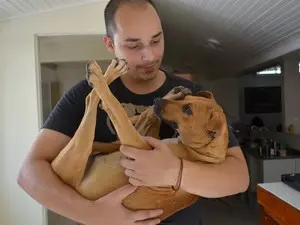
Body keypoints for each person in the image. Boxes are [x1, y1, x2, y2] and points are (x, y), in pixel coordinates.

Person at [17, 1, 249, 225]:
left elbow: (239, 177)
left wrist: (175, 172)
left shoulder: (192, 96)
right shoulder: (85, 93)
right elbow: (29, 173)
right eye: (134, 45)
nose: (149, 55)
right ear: (110, 44)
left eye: (156, 40)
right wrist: (92, 214)